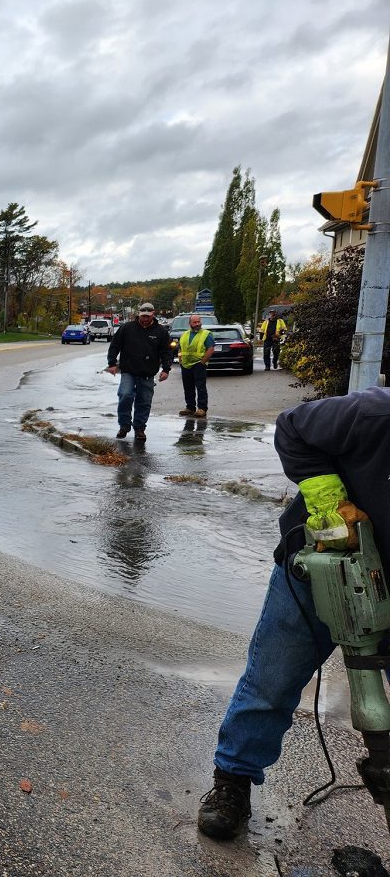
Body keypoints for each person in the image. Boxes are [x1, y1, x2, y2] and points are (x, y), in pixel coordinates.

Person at [198, 385, 390, 840]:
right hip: (321, 569)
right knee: (272, 679)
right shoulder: (373, 415)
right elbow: (292, 426)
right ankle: (233, 779)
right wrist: (329, 505)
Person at [105, 303, 173, 442]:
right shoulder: (127, 328)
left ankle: (139, 428)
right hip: (128, 370)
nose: (145, 319)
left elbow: (166, 351)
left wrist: (166, 369)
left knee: (144, 401)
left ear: (153, 314)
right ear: (139, 314)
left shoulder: (160, 331)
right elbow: (115, 345)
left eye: (148, 316)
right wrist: (112, 363)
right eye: (143, 316)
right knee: (125, 394)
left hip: (147, 372)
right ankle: (124, 425)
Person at [177, 315, 214, 418]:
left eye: (198, 322)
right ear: (190, 324)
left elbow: (210, 349)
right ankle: (190, 407)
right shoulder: (184, 335)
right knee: (188, 387)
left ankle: (202, 408)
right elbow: (180, 349)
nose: (197, 324)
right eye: (195, 322)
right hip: (185, 365)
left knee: (200, 387)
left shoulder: (206, 334)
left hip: (198, 364)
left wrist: (202, 362)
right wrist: (180, 360)